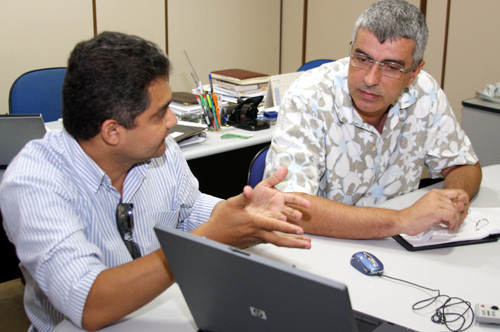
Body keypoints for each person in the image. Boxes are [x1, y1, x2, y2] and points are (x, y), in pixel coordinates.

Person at [0, 31, 312, 331]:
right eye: (160, 113)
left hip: (163, 313)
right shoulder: (33, 183)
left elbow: (190, 211)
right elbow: (89, 306)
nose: (173, 121)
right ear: (112, 132)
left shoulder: (160, 151)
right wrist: (210, 238)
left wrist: (242, 217)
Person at [264, 0, 482, 239]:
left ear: (413, 74)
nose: (370, 79)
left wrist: (453, 197)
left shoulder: (425, 93)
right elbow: (290, 206)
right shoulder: (309, 96)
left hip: (396, 246)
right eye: (362, 59)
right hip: (318, 243)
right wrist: (403, 220)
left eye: (391, 67)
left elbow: (464, 164)